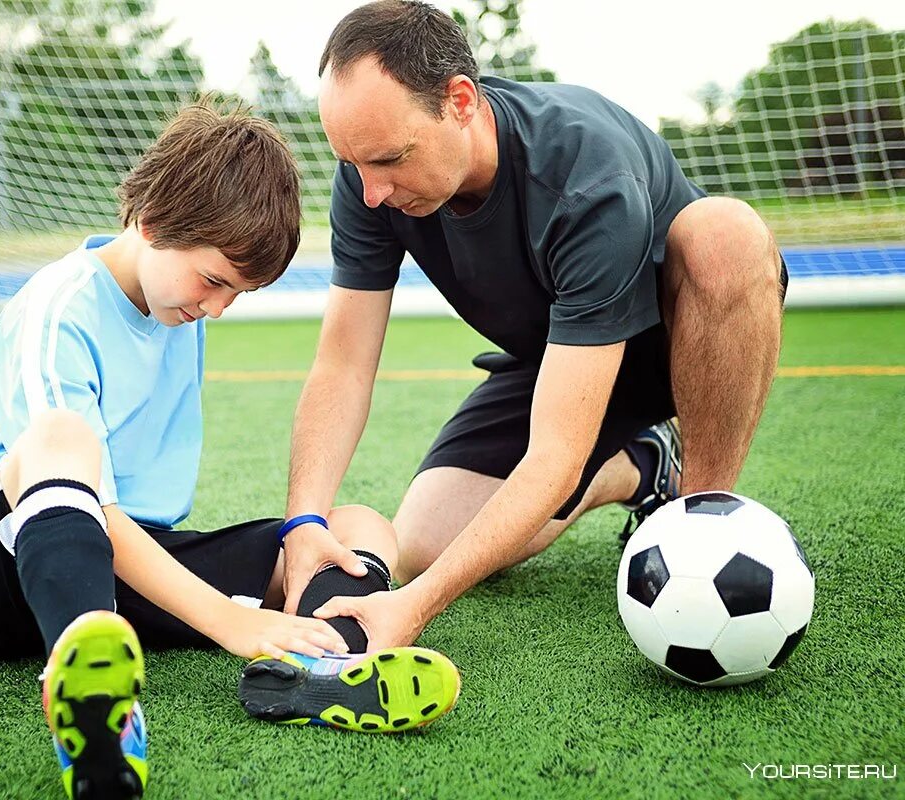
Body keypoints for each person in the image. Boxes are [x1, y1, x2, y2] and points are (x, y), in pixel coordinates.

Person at [0, 102, 460, 800]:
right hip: (3, 574)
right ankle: (93, 696)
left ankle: (320, 669)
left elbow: (136, 530)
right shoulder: (57, 311)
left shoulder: (177, 305)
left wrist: (297, 547)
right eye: (214, 281)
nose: (218, 309)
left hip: (136, 559)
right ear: (150, 222)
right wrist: (232, 619)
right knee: (61, 437)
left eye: (237, 293)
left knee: (350, 527)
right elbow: (83, 497)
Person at [281, 1, 790, 651]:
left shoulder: (584, 173)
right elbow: (343, 364)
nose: (372, 190)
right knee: (426, 542)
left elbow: (553, 459)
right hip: (560, 354)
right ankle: (641, 466)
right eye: (354, 163)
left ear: (460, 101)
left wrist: (414, 609)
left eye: (388, 159)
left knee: (726, 234)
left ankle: (699, 520)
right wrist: (303, 519)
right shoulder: (367, 183)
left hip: (678, 346)